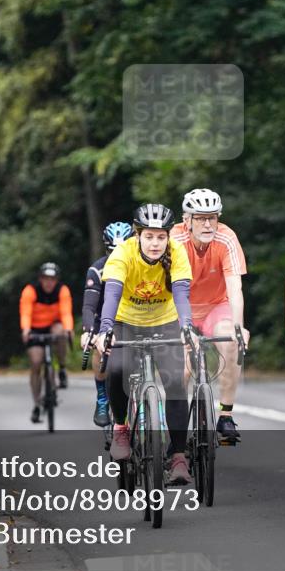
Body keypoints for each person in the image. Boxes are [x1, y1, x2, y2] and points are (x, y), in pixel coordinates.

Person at [94, 204, 197, 486]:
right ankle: (120, 430)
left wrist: (187, 327)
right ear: (137, 235)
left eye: (160, 237)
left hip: (165, 321)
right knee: (116, 369)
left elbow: (181, 294)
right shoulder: (122, 254)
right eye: (149, 236)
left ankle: (177, 458)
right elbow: (112, 295)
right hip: (125, 321)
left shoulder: (177, 253)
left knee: (176, 382)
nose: (155, 243)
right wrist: (105, 331)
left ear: (168, 237)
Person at [170, 188, 249, 444]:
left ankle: (225, 415)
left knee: (231, 341)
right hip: (181, 307)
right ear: (187, 220)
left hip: (217, 305)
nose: (207, 223)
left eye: (212, 217)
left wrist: (238, 328)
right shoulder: (174, 240)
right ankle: (177, 431)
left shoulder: (226, 238)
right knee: (182, 370)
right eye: (200, 218)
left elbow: (235, 288)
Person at [81, 221, 134, 427]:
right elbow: (89, 306)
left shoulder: (140, 265)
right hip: (102, 316)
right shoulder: (97, 269)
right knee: (100, 347)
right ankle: (102, 398)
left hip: (131, 316)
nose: (117, 255)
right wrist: (88, 331)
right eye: (113, 251)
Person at [19, 262, 74, 423]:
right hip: (35, 330)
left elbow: (66, 313)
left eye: (52, 279)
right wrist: (26, 329)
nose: (49, 282)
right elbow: (26, 313)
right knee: (36, 363)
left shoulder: (62, 290)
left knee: (61, 331)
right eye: (46, 279)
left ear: (57, 280)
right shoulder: (30, 291)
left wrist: (69, 329)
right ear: (40, 279)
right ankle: (36, 405)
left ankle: (62, 368)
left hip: (53, 326)